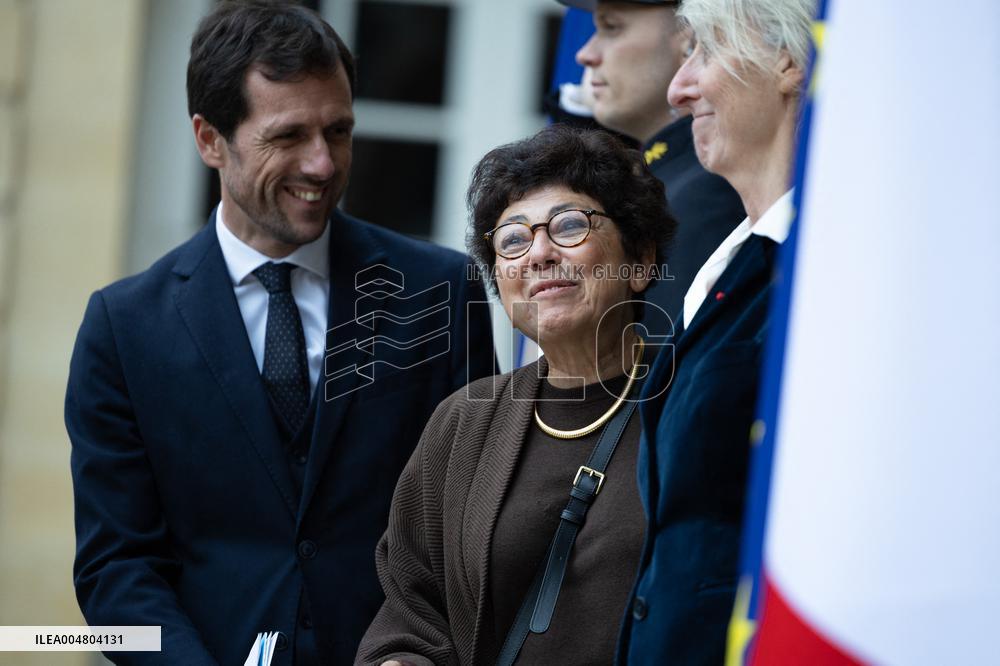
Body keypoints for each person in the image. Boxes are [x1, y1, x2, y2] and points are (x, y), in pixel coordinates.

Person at [65, 2, 495, 664]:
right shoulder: (123, 329)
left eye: (339, 131)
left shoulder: (440, 290)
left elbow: (473, 518)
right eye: (288, 136)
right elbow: (116, 570)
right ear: (210, 139)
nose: (323, 165)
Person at [355, 125, 675, 665]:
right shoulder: (463, 422)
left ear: (640, 260)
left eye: (570, 225)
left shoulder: (691, 398)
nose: (539, 254)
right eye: (513, 240)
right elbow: (412, 612)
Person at [620, 0, 816, 663]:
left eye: (704, 50)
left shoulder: (830, 269)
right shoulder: (728, 258)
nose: (680, 88)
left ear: (787, 61)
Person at [557, 0, 745, 331]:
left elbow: (656, 372)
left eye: (611, 27)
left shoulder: (706, 192)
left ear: (691, 36)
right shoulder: (670, 178)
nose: (585, 54)